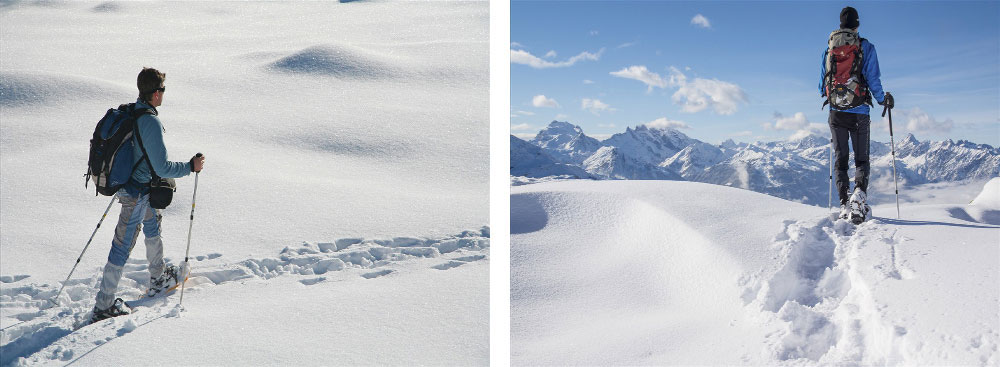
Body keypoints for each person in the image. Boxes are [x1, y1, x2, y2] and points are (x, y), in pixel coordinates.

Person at [91, 68, 206, 322]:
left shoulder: (135, 109)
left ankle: (158, 277)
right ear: (156, 93)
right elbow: (162, 167)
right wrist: (190, 167)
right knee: (122, 246)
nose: (163, 94)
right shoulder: (150, 121)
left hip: (138, 186)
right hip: (135, 193)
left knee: (152, 224)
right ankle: (104, 305)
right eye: (162, 90)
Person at [820, 6, 893, 223]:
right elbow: (873, 79)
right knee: (861, 160)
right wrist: (882, 99)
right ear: (857, 25)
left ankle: (844, 204)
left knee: (841, 160)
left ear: (840, 25)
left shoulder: (828, 49)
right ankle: (858, 198)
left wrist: (835, 97)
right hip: (859, 111)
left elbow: (821, 83)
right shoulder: (865, 47)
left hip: (836, 113)